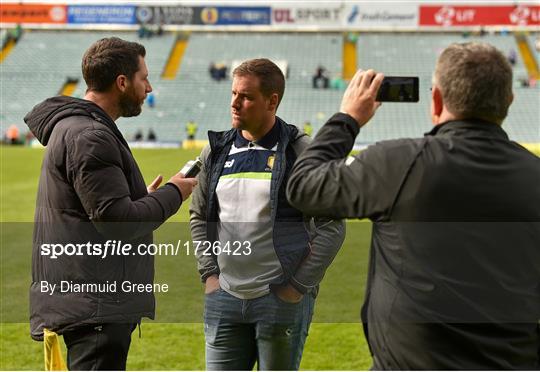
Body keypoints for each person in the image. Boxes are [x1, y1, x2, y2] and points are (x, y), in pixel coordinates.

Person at [286, 42, 540, 369]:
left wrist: (347, 118)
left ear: (436, 100)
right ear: (509, 101)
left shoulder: (397, 162)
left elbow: (303, 187)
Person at [24, 37, 198, 371]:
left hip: (88, 298)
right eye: (143, 77)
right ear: (122, 82)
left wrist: (139, 198)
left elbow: (97, 209)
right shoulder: (90, 135)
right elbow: (120, 223)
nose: (149, 87)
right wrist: (175, 191)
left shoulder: (79, 128)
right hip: (96, 305)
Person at [189, 58, 345, 370]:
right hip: (224, 298)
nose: (234, 103)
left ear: (272, 101)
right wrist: (209, 274)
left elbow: (332, 226)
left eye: (245, 97)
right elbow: (199, 216)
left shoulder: (300, 152)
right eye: (233, 93)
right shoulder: (216, 150)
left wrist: (297, 286)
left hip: (279, 301)